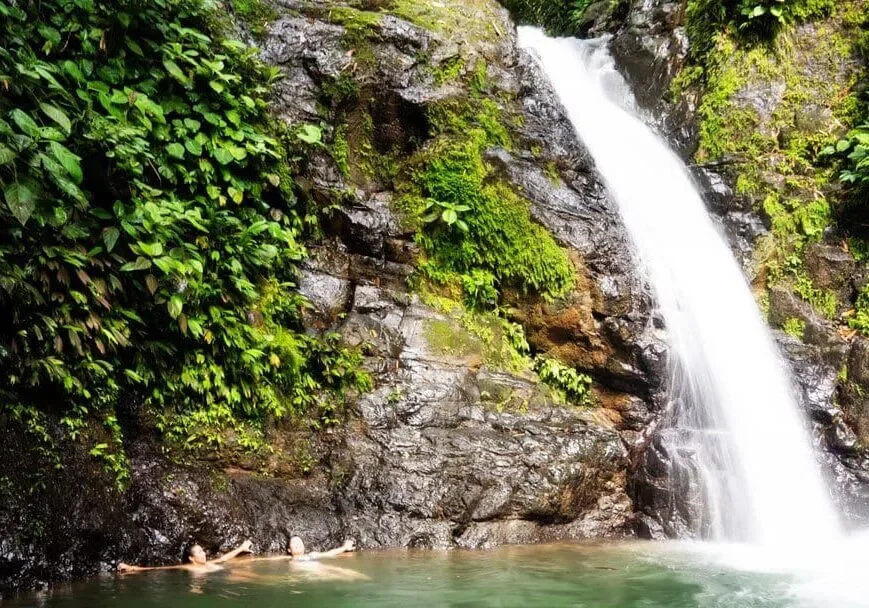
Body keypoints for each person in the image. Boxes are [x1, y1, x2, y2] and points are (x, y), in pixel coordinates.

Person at [117, 539, 253, 573]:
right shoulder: (187, 567)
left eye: (203, 550)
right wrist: (132, 568)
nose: (204, 553)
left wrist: (241, 547)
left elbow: (224, 558)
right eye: (199, 552)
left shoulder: (209, 563)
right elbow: (158, 569)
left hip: (222, 576)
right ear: (191, 558)